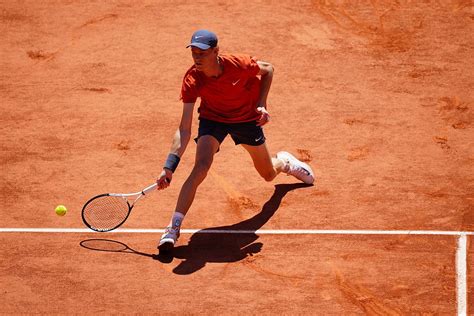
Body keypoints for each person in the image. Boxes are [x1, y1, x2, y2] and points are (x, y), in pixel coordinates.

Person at [156, 29, 314, 252]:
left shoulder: (238, 64)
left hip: (246, 119)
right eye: (193, 52)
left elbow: (268, 70)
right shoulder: (192, 79)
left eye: (202, 52)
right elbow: (184, 129)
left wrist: (262, 103)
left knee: (268, 174)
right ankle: (173, 228)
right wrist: (169, 166)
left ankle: (285, 162)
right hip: (213, 120)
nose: (197, 57)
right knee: (201, 166)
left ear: (216, 51)